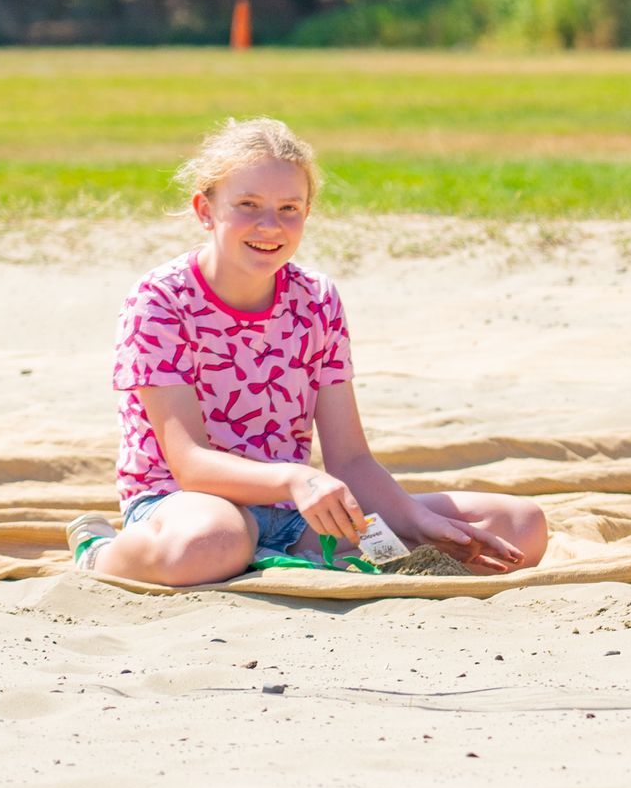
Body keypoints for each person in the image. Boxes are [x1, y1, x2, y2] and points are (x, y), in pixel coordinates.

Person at [66, 118, 549, 586]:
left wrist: (417, 522)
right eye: (248, 205)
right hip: (185, 501)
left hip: (299, 513)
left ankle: (279, 553)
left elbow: (351, 459)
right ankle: (102, 551)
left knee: (519, 526)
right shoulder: (160, 299)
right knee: (211, 541)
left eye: (288, 209)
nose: (269, 225)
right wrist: (296, 480)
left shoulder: (316, 298)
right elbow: (189, 462)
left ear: (307, 213)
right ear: (205, 209)